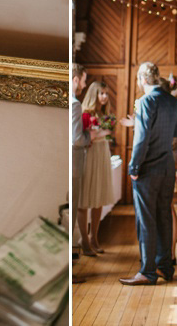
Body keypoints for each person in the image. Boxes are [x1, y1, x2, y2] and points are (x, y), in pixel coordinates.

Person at [120, 62, 177, 286]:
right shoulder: (172, 101)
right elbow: (176, 134)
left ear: (143, 79)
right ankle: (165, 267)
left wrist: (134, 167)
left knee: (146, 220)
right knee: (164, 216)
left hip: (147, 168)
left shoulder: (146, 101)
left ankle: (147, 271)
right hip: (167, 167)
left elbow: (141, 138)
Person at [71, 64, 107, 282]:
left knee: (80, 204)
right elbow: (76, 138)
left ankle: (89, 240)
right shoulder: (76, 105)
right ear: (76, 79)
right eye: (83, 80)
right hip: (81, 156)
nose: (84, 84)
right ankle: (82, 243)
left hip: (93, 154)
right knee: (78, 204)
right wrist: (91, 136)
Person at [79, 81, 116, 255]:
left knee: (99, 197)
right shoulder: (85, 113)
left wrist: (104, 133)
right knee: (85, 197)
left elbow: (107, 134)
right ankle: (84, 240)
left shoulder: (106, 115)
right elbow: (86, 137)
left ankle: (94, 236)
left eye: (106, 93)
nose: (104, 97)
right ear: (94, 94)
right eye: (101, 93)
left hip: (102, 153)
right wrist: (100, 133)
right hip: (90, 154)